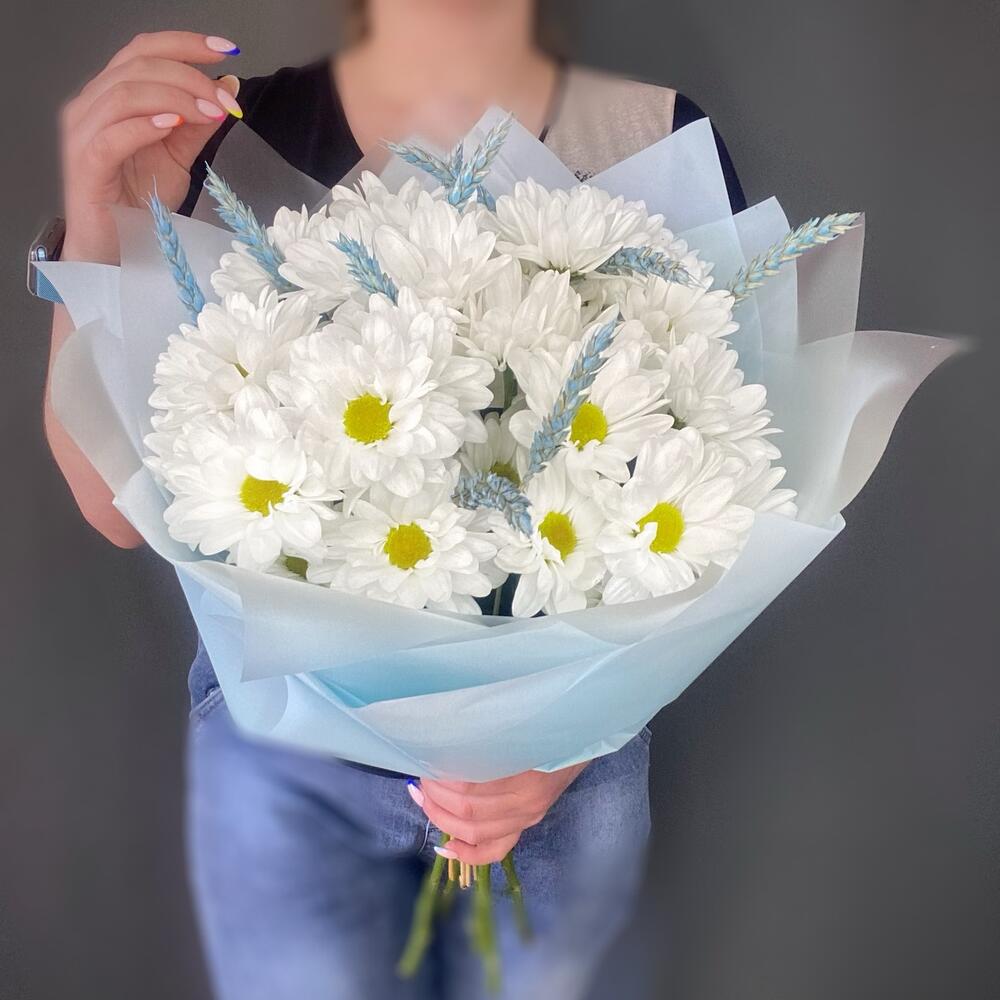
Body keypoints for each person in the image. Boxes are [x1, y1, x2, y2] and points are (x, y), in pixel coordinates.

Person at [45, 2, 746, 997]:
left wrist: (566, 742)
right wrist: (100, 217)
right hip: (289, 759)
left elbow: (723, 481)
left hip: (558, 782)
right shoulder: (220, 141)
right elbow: (117, 507)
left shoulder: (653, 137)